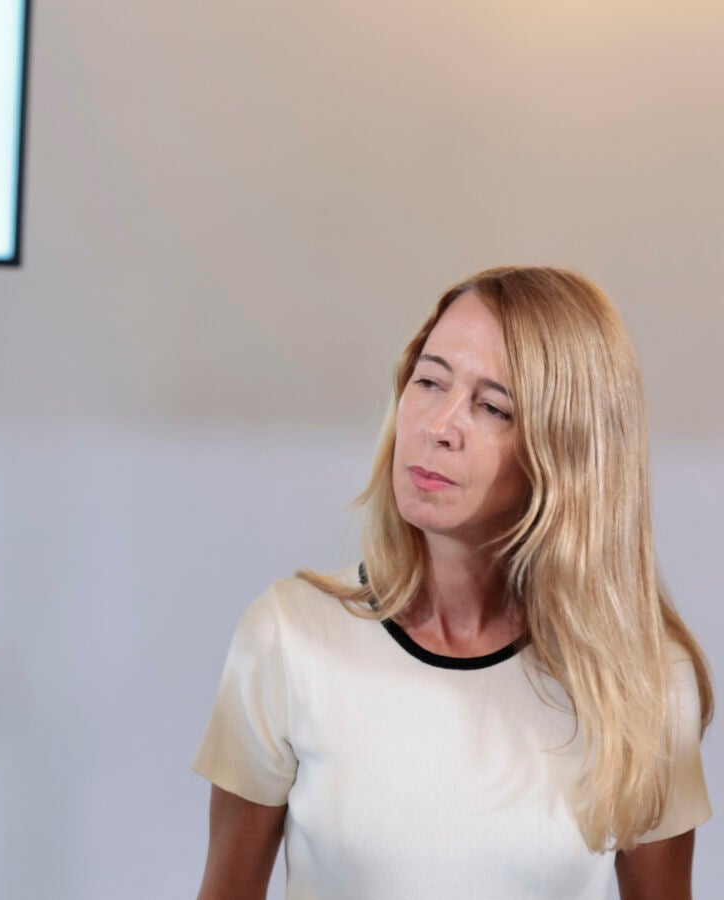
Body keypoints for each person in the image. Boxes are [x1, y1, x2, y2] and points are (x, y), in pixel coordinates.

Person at [192, 266, 711, 899]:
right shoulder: (288, 637)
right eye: (429, 381)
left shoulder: (644, 678)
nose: (437, 425)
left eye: (492, 407)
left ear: (569, 450)